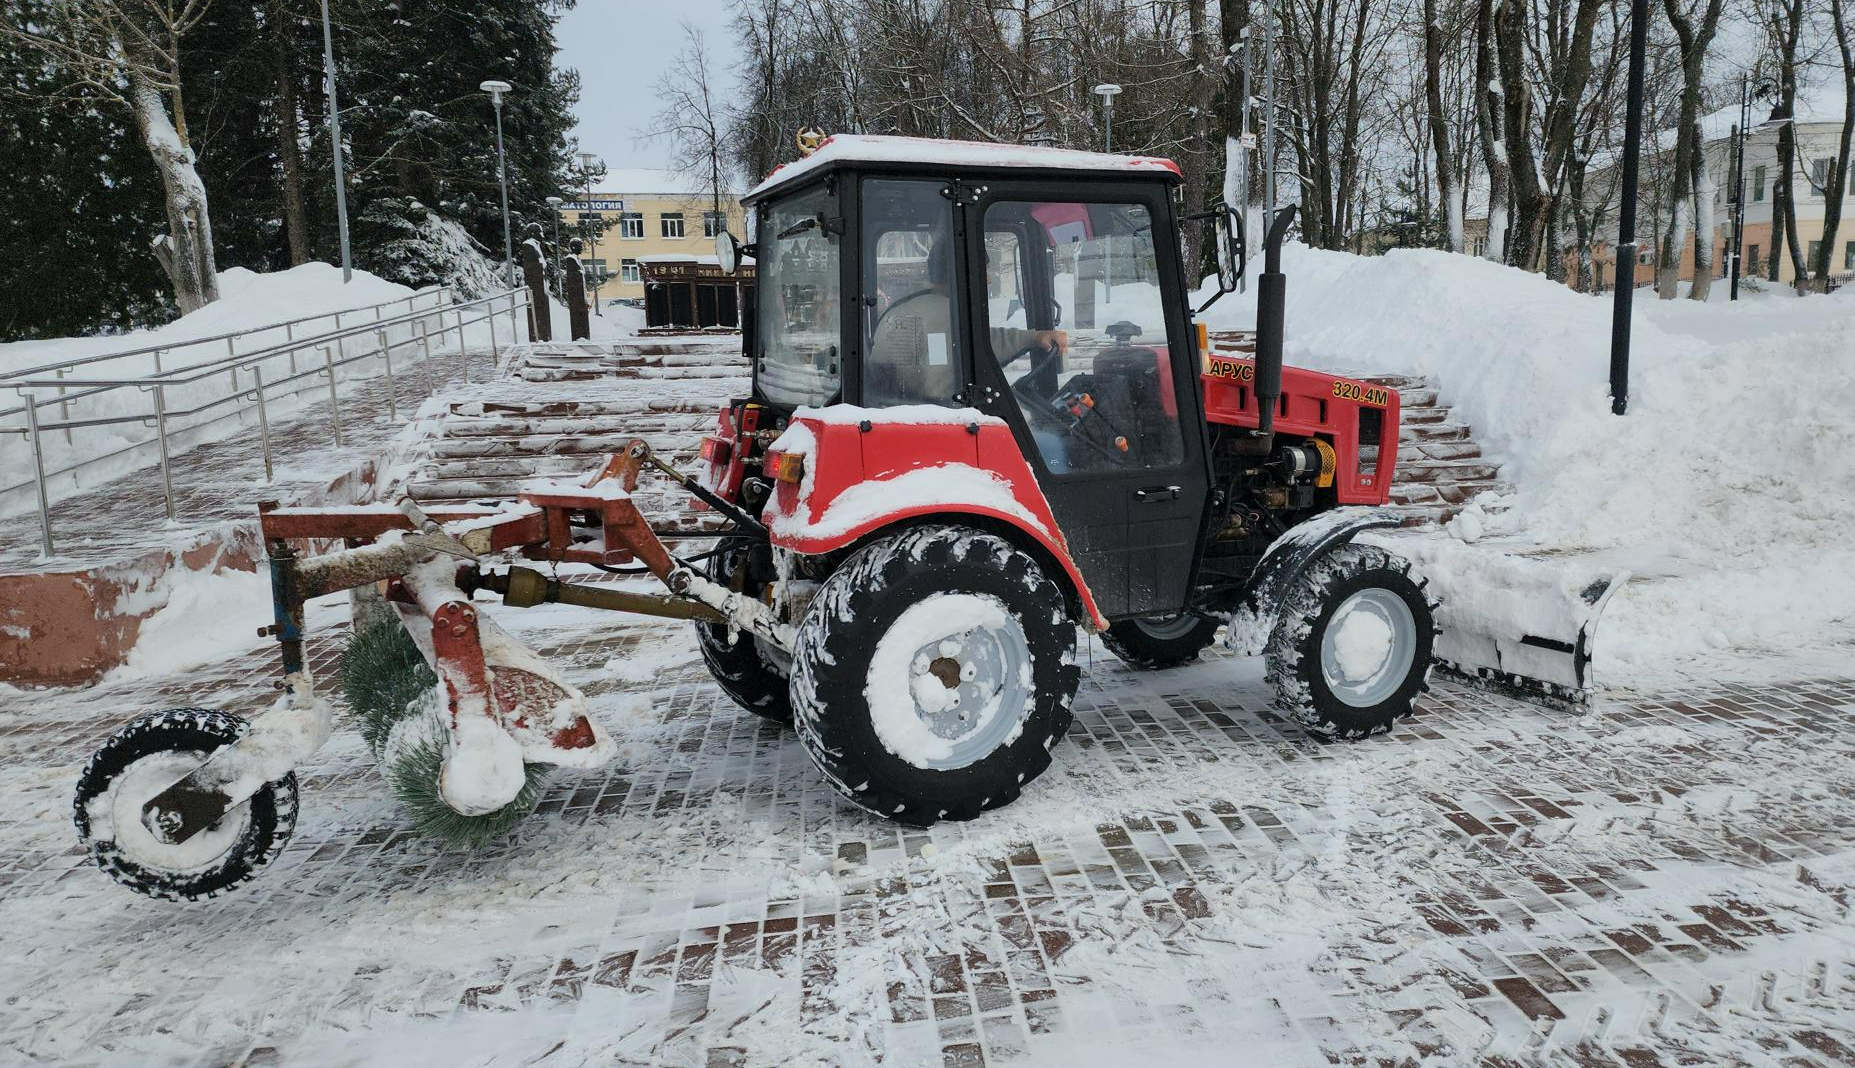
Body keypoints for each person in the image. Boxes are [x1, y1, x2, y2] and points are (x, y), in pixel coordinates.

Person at [866, 236, 1067, 406]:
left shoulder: (903, 307)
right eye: (984, 270)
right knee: (1050, 444)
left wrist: (1035, 337)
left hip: (898, 407)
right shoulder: (945, 314)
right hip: (934, 419)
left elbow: (987, 340)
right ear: (963, 272)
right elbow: (941, 386)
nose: (988, 280)